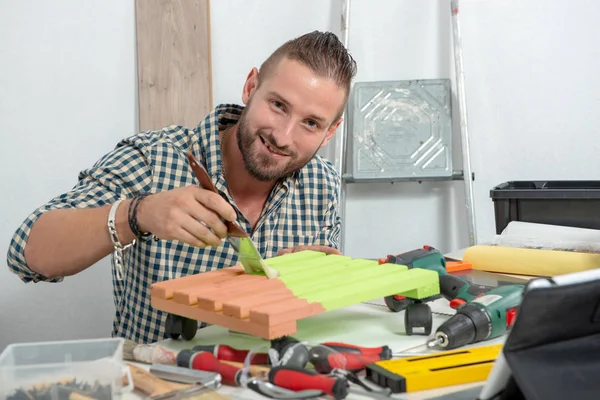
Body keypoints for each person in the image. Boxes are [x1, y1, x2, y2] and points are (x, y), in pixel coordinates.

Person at [6, 30, 357, 344]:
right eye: (278, 105)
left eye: (310, 123)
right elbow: (26, 255)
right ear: (251, 87)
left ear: (330, 131)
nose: (283, 137)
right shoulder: (153, 159)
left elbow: (314, 320)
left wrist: (311, 280)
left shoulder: (321, 183)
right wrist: (138, 214)